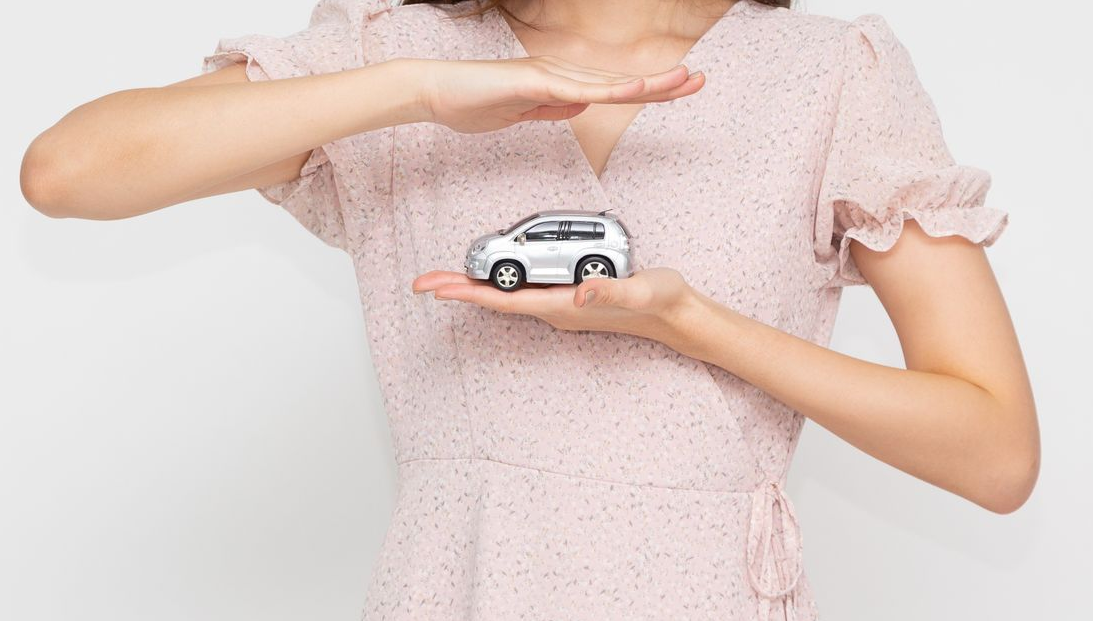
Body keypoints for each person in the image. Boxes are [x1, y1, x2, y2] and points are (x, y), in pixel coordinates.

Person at [20, 0, 1040, 618]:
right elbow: (65, 173)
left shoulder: (828, 72)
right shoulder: (399, 47)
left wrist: (692, 327)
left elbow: (994, 451)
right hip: (456, 589)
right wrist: (420, 90)